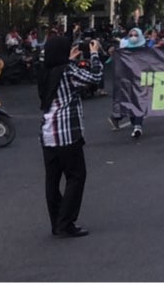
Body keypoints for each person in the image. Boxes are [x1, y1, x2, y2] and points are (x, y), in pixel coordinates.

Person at [38, 34, 102, 238]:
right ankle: (66, 222)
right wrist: (94, 54)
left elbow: (61, 74)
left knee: (52, 179)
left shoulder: (45, 71)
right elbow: (95, 78)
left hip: (48, 132)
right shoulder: (68, 71)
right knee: (76, 176)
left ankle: (57, 221)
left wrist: (70, 59)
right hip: (66, 133)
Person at [109, 30, 147, 137]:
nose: (133, 37)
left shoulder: (145, 49)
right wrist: (113, 53)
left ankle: (137, 126)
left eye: (135, 35)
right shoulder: (124, 50)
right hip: (127, 79)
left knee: (139, 101)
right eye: (131, 35)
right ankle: (118, 117)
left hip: (141, 78)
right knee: (130, 101)